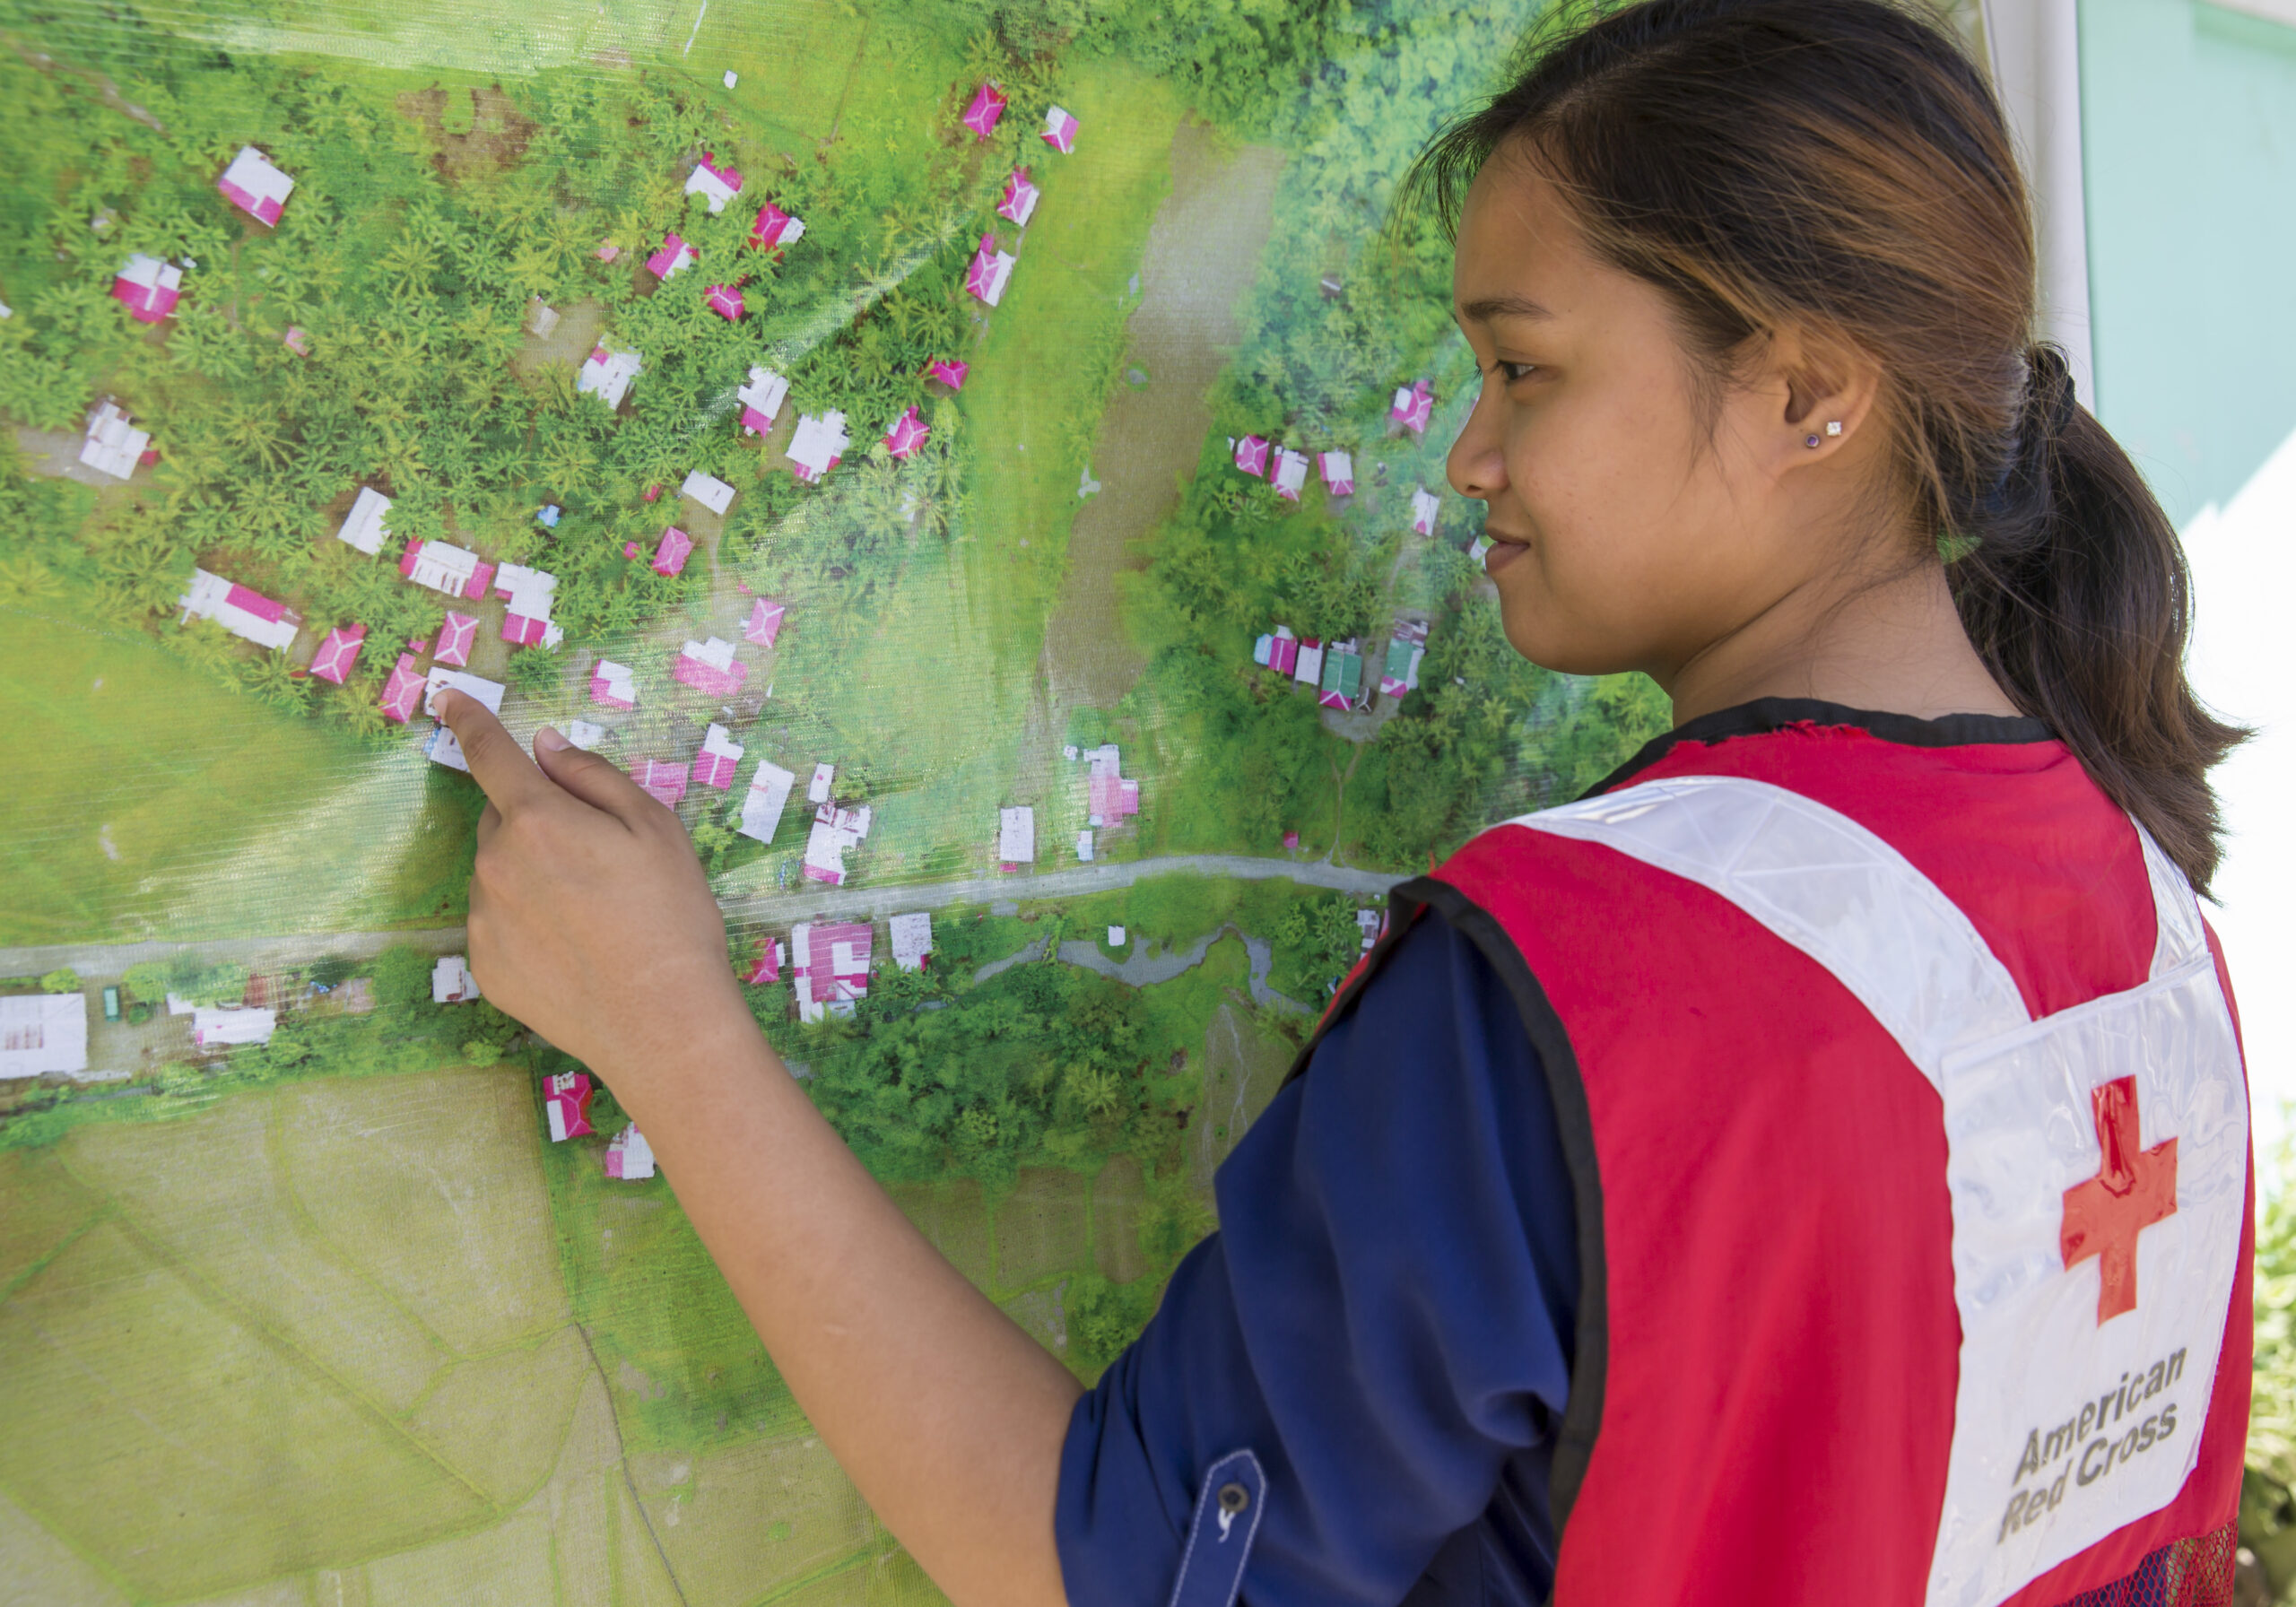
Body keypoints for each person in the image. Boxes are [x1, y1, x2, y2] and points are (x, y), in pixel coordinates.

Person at [433, 0, 2255, 1600]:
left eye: (1523, 368)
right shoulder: (2142, 908)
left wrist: (667, 1025)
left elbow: (1120, 1570)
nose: (1464, 452)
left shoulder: (1585, 981)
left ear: (1804, 392)